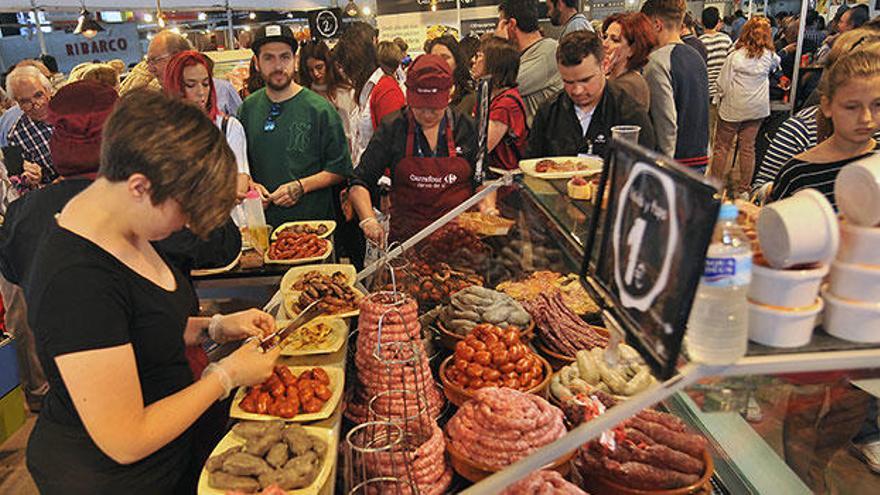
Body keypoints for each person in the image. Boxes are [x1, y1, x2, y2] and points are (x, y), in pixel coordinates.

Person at [22, 89, 279, 494]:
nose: (187, 225)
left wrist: (214, 327)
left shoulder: (126, 224)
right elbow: (126, 438)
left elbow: (140, 328)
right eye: (183, 211)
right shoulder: (76, 280)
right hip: (117, 479)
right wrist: (225, 375)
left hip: (174, 452)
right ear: (140, 186)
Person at [349, 54, 478, 244]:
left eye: (434, 108)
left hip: (459, 240)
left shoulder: (466, 127)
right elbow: (359, 180)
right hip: (407, 242)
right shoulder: (393, 127)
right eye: (419, 107)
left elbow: (483, 180)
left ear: (448, 94)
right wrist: (368, 220)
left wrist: (488, 209)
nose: (427, 114)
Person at [237, 24, 353, 226]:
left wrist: (302, 186)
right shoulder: (247, 109)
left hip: (314, 230)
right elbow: (240, 166)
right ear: (256, 63)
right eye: (268, 58)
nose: (278, 66)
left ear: (295, 60)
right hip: (262, 227)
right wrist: (251, 185)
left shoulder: (320, 110)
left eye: (284, 57)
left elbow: (340, 168)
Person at [753, 31, 880, 193]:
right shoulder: (799, 155)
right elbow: (763, 190)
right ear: (827, 105)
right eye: (852, 107)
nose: (866, 118)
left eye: (877, 104)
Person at [526, 31, 655, 158]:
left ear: (604, 66)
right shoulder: (548, 112)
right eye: (568, 82)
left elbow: (646, 171)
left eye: (585, 80)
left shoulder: (630, 114)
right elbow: (532, 164)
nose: (577, 90)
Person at [163, 51, 251, 203]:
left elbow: (241, 176)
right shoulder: (161, 133)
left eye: (206, 83)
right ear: (175, 87)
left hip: (228, 220)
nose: (201, 92)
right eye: (190, 85)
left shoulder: (228, 126)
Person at [709, 17, 780, 194]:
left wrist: (717, 100)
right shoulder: (769, 56)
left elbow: (723, 83)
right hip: (757, 109)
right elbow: (776, 64)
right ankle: (744, 189)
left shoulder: (735, 57)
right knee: (748, 147)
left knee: (722, 147)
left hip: (734, 108)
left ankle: (715, 187)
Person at [642, 0, 710, 170]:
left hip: (676, 163)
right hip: (700, 156)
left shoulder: (657, 62)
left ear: (657, 25)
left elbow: (667, 123)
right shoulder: (696, 56)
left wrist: (664, 167)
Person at [335, 24, 406, 165]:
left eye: (347, 67)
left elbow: (395, 148)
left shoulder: (386, 90)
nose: (344, 73)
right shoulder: (363, 90)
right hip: (362, 179)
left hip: (379, 182)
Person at [497, 0, 564, 126]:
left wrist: (499, 45)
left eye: (501, 23)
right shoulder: (524, 54)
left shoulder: (547, 52)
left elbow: (502, 86)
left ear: (511, 24)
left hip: (546, 142)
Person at [470, 36, 528, 172]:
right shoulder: (489, 96)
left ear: (494, 63)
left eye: (479, 56)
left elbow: (480, 149)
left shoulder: (506, 104)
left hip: (503, 181)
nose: (473, 60)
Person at [5, 65, 57, 189]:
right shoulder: (15, 137)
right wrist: (32, 180)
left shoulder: (72, 110)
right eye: (25, 101)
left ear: (48, 91)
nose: (36, 105)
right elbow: (21, 185)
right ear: (17, 104)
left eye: (39, 95)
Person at [298, 40, 357, 144]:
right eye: (310, 70)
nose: (316, 74)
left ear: (328, 64)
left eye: (319, 67)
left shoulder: (346, 91)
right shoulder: (303, 96)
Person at [601, 12, 658, 112]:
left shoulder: (630, 85)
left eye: (615, 40)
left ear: (632, 49)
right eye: (605, 37)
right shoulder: (613, 78)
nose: (604, 44)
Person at [700, 6, 733, 144]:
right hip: (723, 93)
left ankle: (711, 157)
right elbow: (731, 66)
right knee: (723, 133)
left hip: (707, 92)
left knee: (708, 130)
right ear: (718, 21)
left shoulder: (700, 42)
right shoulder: (726, 40)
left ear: (701, 22)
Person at [425, 35, 477, 115]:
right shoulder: (422, 96)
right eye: (434, 57)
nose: (439, 62)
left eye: (445, 57)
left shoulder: (469, 99)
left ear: (457, 61)